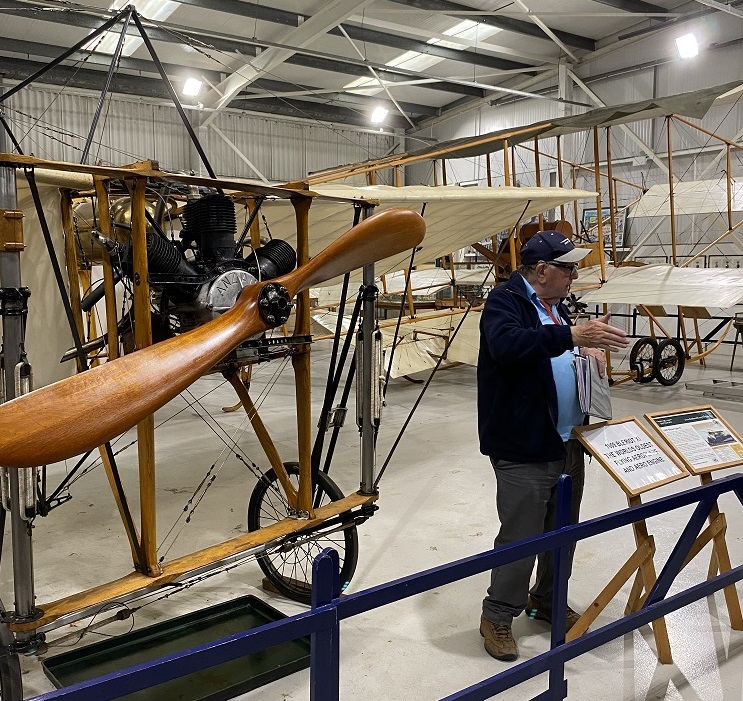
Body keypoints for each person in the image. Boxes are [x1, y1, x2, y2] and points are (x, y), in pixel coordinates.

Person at [477, 230, 629, 662]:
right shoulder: (505, 302)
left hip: (567, 442)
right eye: (568, 267)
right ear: (541, 270)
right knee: (521, 537)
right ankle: (498, 615)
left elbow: (558, 353)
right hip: (524, 443)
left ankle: (545, 599)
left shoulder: (555, 306)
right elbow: (507, 346)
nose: (574, 274)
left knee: (562, 532)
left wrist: (586, 357)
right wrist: (571, 338)